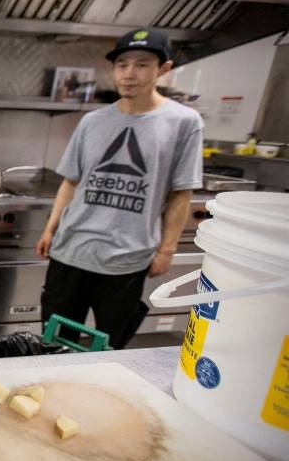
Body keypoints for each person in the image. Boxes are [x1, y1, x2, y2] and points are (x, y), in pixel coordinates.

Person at [36, 28, 203, 348]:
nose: (129, 74)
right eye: (122, 64)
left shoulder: (183, 122)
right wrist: (50, 228)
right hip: (71, 251)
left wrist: (167, 249)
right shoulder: (93, 122)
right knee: (54, 343)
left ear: (164, 69)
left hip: (127, 258)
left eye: (142, 64)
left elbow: (181, 192)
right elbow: (71, 181)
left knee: (110, 346)